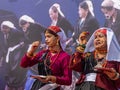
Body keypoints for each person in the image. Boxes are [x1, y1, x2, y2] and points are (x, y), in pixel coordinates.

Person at [20, 26, 72, 90]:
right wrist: (30, 51)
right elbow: (24, 64)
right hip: (38, 86)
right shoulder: (43, 53)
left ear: (57, 38)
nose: (46, 39)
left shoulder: (65, 57)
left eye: (49, 36)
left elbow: (68, 80)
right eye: (45, 37)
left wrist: (53, 78)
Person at [0, 21, 27, 90]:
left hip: (17, 58)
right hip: (10, 58)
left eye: (4, 30)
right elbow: (5, 48)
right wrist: (1, 58)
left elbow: (23, 39)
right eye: (2, 29)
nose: (3, 31)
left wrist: (21, 43)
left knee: (17, 78)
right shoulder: (4, 34)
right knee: (10, 77)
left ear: (8, 28)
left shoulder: (15, 32)